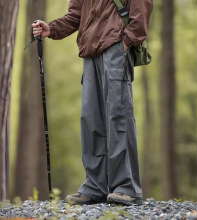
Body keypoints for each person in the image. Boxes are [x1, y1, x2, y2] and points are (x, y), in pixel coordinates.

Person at [32, 0, 153, 206]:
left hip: (116, 47)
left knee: (118, 117)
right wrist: (51, 28)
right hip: (90, 51)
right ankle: (96, 187)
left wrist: (127, 40)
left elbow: (142, 8)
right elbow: (75, 15)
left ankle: (126, 187)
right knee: (91, 119)